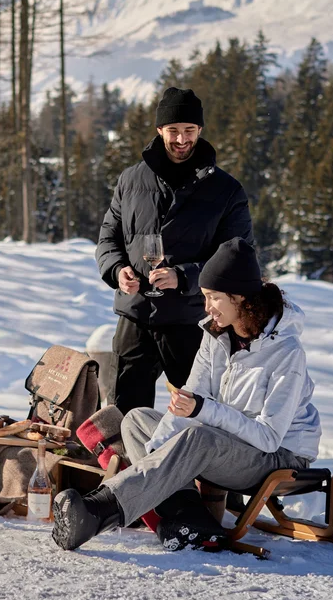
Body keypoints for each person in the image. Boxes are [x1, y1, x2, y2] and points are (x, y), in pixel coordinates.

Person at [54, 238, 321, 552]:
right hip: (227, 442)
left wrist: (203, 411)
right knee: (137, 421)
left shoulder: (286, 352)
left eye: (214, 298)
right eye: (204, 297)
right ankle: (187, 518)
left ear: (240, 297)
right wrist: (157, 454)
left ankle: (97, 512)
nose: (207, 307)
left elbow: (268, 437)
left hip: (280, 457)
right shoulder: (215, 335)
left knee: (198, 437)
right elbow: (189, 401)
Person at [95, 87, 254, 414]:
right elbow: (109, 236)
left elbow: (237, 257)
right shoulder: (130, 180)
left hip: (192, 319)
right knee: (124, 415)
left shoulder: (226, 190)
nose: (182, 139)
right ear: (159, 130)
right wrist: (117, 269)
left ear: (200, 130)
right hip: (135, 317)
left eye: (189, 130)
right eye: (173, 130)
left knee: (198, 415)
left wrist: (184, 277)